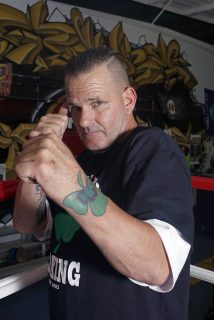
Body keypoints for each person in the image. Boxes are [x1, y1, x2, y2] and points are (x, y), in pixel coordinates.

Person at [13, 47, 194, 320]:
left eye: (97, 103)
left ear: (128, 100)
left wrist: (73, 185)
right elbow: (27, 223)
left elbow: (157, 266)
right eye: (75, 107)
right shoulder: (83, 160)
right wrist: (37, 157)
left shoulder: (153, 150)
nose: (84, 121)